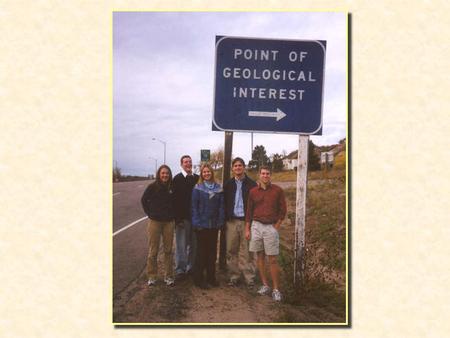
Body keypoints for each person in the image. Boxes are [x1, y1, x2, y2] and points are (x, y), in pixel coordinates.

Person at [245, 165, 287, 302]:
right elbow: (249, 212)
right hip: (256, 226)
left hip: (271, 227)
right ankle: (265, 285)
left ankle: (276, 289)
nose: (265, 176)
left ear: (270, 175)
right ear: (259, 175)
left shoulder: (277, 191)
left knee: (273, 259)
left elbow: (283, 210)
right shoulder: (253, 192)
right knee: (260, 257)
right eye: (263, 173)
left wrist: (276, 226)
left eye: (267, 173)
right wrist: (247, 228)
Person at [223, 157, 257, 287]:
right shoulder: (228, 185)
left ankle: (249, 277)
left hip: (246, 222)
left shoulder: (252, 184)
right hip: (231, 222)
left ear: (244, 167)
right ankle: (234, 276)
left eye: (240, 165)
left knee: (248, 250)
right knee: (231, 250)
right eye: (235, 166)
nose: (238, 168)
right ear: (232, 168)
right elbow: (224, 203)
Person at [191, 163, 225, 289]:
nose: (206, 173)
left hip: (214, 226)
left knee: (212, 253)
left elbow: (221, 206)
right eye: (204, 172)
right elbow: (194, 208)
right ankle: (198, 279)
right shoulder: (198, 188)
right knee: (201, 253)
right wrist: (197, 223)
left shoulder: (218, 188)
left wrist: (220, 222)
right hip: (202, 226)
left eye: (208, 171)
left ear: (212, 173)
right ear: (202, 174)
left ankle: (211, 277)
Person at [141, 165, 175, 287]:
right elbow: (144, 200)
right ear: (159, 174)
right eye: (163, 173)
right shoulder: (152, 187)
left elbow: (176, 202)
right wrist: (150, 213)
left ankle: (169, 276)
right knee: (153, 251)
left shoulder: (172, 187)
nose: (165, 175)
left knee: (168, 250)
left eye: (167, 173)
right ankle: (152, 276)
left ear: (169, 174)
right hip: (154, 222)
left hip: (169, 223)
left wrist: (173, 215)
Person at [172, 155, 199, 280]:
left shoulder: (197, 179)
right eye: (185, 162)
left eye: (190, 162)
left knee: (194, 245)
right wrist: (177, 219)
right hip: (182, 219)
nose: (188, 164)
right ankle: (180, 270)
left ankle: (191, 268)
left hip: (196, 219)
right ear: (181, 164)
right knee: (181, 246)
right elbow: (174, 201)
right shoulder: (177, 179)